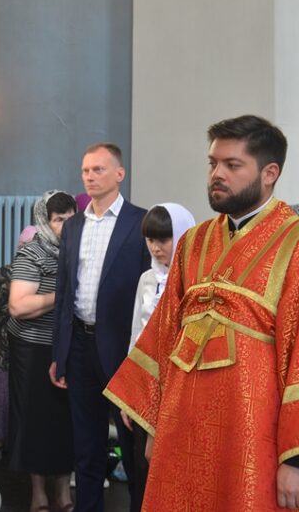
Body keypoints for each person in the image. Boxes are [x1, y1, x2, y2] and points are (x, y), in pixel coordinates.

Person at [106, 115, 299, 511]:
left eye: (232, 165)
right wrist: (154, 421)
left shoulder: (293, 241)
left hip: (251, 431)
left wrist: (294, 458)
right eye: (213, 163)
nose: (217, 174)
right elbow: (165, 332)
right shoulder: (194, 241)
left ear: (270, 173)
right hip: (181, 424)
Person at [50, 143, 151, 512]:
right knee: (87, 445)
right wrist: (59, 354)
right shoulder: (74, 225)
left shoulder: (139, 222)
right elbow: (64, 292)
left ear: (119, 174)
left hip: (121, 349)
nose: (90, 177)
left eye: (98, 170)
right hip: (79, 345)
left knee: (132, 445)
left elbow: (147, 296)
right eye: (85, 171)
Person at [116, 202, 194, 512]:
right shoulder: (147, 279)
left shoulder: (194, 281)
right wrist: (129, 394)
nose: (156, 247)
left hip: (180, 387)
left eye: (164, 239)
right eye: (150, 240)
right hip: (147, 385)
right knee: (141, 466)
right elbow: (135, 336)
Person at [8, 191, 77, 512]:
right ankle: (38, 492)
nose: (66, 225)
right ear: (44, 221)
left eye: (71, 218)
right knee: (35, 421)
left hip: (68, 346)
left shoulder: (77, 251)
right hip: (33, 349)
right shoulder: (32, 252)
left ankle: (63, 490)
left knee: (65, 420)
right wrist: (61, 293)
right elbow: (19, 306)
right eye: (58, 219)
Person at [0, 225, 35, 468]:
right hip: (3, 347)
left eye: (29, 247)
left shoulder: (42, 275)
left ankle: (21, 449)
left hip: (31, 349)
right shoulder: (4, 275)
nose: (24, 251)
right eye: (22, 246)